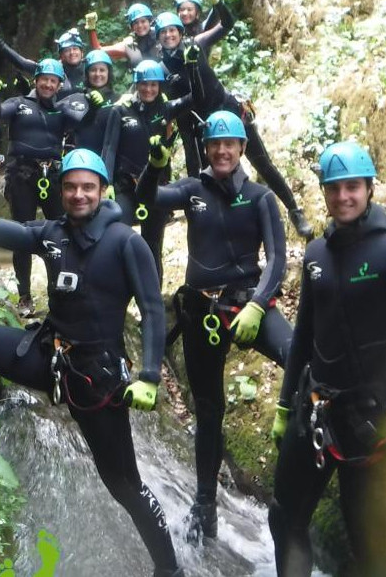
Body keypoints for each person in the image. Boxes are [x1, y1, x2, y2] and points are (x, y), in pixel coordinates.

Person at [0, 147, 186, 577]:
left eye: (88, 186)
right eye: (71, 186)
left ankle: (170, 569)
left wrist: (148, 376)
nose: (79, 194)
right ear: (61, 189)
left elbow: (152, 309)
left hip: (98, 377)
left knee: (124, 484)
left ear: (102, 190)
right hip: (49, 356)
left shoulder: (127, 241)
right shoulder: (51, 233)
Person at [267, 141, 386, 576]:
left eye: (352, 187)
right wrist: (285, 403)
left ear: (369, 189)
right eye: (334, 188)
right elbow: (304, 336)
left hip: (369, 420)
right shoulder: (315, 257)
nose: (342, 197)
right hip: (314, 412)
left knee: (369, 547)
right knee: (283, 516)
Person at [136, 111, 291, 542]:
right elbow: (145, 202)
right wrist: (154, 164)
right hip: (203, 312)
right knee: (209, 410)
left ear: (242, 148)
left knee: (300, 356)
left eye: (230, 144)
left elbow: (277, 259)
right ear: (206, 148)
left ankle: (295, 491)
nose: (222, 151)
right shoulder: (191, 190)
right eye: (215, 144)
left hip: (247, 305)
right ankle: (206, 506)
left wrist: (259, 306)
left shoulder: (260, 197)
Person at [162, 16, 314, 241]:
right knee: (221, 180)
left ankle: (294, 211)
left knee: (262, 162)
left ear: (180, 32)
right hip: (207, 127)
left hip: (230, 109)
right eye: (163, 32)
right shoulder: (163, 69)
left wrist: (219, 3)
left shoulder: (196, 45)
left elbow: (227, 23)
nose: (169, 35)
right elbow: (184, 98)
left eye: (172, 30)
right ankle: (232, 233)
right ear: (158, 38)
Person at [0, 58, 92, 317]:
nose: (47, 84)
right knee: (22, 235)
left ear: (58, 84)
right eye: (43, 79)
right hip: (22, 174)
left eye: (52, 81)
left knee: (61, 232)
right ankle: (24, 297)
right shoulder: (19, 103)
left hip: (53, 174)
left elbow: (84, 123)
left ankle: (61, 289)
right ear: (36, 80)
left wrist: (95, 107)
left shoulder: (62, 109)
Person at [107, 58, 195, 281]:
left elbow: (198, 96)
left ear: (159, 86)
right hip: (126, 186)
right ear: (136, 84)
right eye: (144, 84)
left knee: (153, 244)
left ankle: (153, 294)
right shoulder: (120, 110)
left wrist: (194, 67)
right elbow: (109, 147)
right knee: (118, 234)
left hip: (155, 188)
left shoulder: (165, 108)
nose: (148, 89)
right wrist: (105, 182)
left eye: (153, 84)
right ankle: (119, 289)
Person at [0, 26, 87, 98]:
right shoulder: (54, 69)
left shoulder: (90, 68)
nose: (72, 52)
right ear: (61, 55)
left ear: (82, 52)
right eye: (67, 50)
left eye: (75, 49)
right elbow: (23, 63)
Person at [85, 2, 160, 68]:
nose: (140, 25)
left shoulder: (161, 35)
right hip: (143, 82)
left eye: (143, 21)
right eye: (136, 23)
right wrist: (91, 29)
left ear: (149, 22)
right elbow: (99, 50)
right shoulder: (130, 43)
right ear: (132, 26)